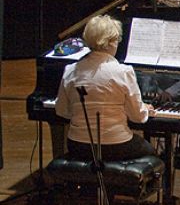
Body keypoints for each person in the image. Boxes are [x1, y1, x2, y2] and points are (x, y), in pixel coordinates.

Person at [55, 14, 156, 161]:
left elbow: (62, 111)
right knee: (151, 151)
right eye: (117, 39)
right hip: (116, 144)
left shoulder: (70, 70)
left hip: (78, 145)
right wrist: (145, 109)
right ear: (111, 42)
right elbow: (138, 117)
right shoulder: (123, 72)